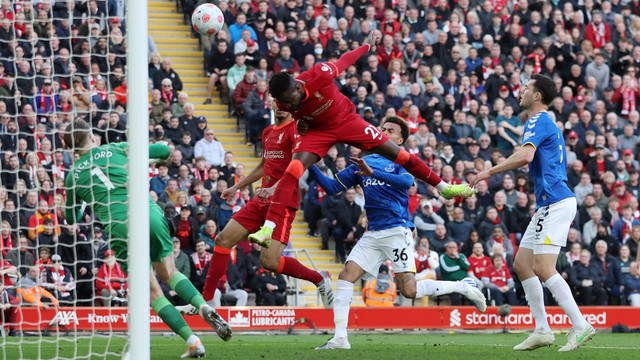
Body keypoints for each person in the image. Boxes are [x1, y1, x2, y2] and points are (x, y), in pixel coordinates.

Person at [249, 32, 475, 247]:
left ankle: (444, 188)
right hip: (319, 132)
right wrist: (300, 122)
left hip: (347, 122)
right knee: (293, 170)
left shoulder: (320, 73)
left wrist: (367, 46)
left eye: (291, 101)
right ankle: (268, 229)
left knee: (402, 155)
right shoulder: (282, 100)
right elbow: (296, 119)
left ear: (298, 87)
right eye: (284, 104)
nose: (288, 106)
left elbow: (346, 59)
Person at [63, 119, 231, 358]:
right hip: (148, 212)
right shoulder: (115, 148)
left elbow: (72, 217)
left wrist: (80, 202)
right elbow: (164, 151)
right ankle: (202, 305)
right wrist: (150, 150)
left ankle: (193, 340)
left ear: (71, 148)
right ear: (91, 137)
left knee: (152, 291)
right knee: (170, 273)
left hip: (120, 226)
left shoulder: (73, 176)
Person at [314, 116, 485, 350]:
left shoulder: (402, 161)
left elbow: (406, 184)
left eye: (390, 130)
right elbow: (331, 187)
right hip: (373, 233)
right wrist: (307, 162)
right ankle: (340, 338)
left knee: (409, 290)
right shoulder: (363, 161)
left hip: (397, 230)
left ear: (400, 139)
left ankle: (463, 286)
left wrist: (371, 172)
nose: (383, 132)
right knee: (346, 277)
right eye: (382, 129)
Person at [470, 74, 595, 352]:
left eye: (526, 87)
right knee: (523, 264)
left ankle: (580, 324)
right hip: (548, 203)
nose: (522, 90)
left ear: (537, 96)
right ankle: (541, 329)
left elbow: (525, 156)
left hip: (555, 202)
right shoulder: (545, 121)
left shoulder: (537, 120)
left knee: (543, 267)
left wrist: (488, 171)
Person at [177, 106, 334, 318]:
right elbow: (263, 165)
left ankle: (319, 279)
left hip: (283, 203)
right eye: (276, 102)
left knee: (269, 262)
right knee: (222, 240)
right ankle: (203, 301)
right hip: (260, 201)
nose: (280, 107)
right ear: (271, 104)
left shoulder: (295, 132)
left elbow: (297, 168)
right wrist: (236, 186)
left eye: (283, 102)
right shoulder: (268, 132)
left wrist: (274, 187)